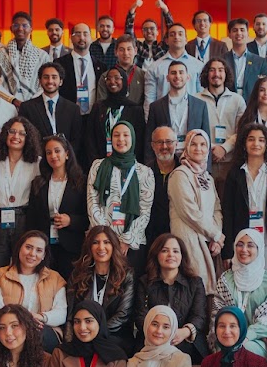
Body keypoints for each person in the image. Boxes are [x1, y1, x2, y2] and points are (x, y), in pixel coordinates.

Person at [0, 231, 67, 351]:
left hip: (42, 332)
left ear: (44, 255)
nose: (32, 254)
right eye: (28, 247)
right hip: (7, 330)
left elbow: (61, 313)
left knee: (36, 335)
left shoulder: (55, 279)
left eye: (39, 250)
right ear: (19, 248)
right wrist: (22, 321)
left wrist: (40, 317)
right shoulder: (0, 276)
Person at [87, 121, 156, 277]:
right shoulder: (98, 166)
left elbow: (145, 210)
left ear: (133, 139)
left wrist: (126, 239)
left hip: (131, 243)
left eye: (126, 135)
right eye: (116, 135)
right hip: (101, 243)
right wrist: (106, 239)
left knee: (128, 289)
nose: (121, 139)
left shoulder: (145, 172)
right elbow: (92, 202)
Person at [221, 122, 267, 268]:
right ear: (244, 144)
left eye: (261, 140)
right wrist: (227, 251)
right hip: (241, 242)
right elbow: (227, 213)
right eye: (251, 139)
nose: (256, 143)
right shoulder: (234, 174)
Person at [0, 117, 41, 273]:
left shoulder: (37, 163)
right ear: (5, 134)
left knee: (24, 270)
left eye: (22, 133)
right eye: (12, 131)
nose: (16, 136)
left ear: (28, 138)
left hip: (24, 220)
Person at [211, 230, 267, 362]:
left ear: (259, 249)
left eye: (250, 245)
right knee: (227, 350)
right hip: (228, 336)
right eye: (240, 244)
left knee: (243, 349)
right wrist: (232, 334)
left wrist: (245, 336)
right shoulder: (226, 280)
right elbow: (218, 313)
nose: (244, 249)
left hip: (259, 340)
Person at [136, 234, 208, 362]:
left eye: (175, 251)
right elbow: (141, 315)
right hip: (152, 340)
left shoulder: (195, 282)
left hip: (184, 340)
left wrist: (185, 331)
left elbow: (199, 316)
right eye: (165, 250)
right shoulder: (145, 282)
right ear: (156, 254)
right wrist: (159, 334)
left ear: (182, 256)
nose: (171, 255)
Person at [25, 134, 88, 280]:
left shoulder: (81, 182)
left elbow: (88, 217)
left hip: (72, 247)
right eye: (48, 152)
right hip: (44, 247)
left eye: (57, 151)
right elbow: (31, 218)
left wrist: (71, 220)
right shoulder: (38, 183)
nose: (53, 155)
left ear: (67, 154)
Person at [168, 129, 224, 292]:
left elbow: (217, 209)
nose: (198, 148)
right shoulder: (179, 174)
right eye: (193, 144)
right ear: (186, 147)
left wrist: (216, 236)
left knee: (210, 293)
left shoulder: (208, 177)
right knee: (194, 288)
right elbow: (189, 212)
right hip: (189, 241)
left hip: (209, 241)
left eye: (203, 145)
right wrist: (216, 234)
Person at [67, 227, 135, 349]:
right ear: (89, 247)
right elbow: (70, 313)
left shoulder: (126, 275)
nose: (101, 247)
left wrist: (95, 332)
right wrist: (68, 341)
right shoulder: (78, 274)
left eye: (106, 242)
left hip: (114, 336)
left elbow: (122, 315)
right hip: (82, 333)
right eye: (95, 242)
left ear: (114, 246)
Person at [84, 66, 147, 167]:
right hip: (101, 164)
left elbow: (139, 141)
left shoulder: (135, 109)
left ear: (125, 81)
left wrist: (130, 162)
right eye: (108, 78)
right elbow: (90, 138)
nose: (112, 81)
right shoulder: (98, 107)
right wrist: (96, 162)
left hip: (127, 164)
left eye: (117, 78)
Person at [197, 57, 247, 185]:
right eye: (212, 70)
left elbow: (242, 130)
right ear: (206, 74)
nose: (216, 74)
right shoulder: (196, 99)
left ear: (226, 74)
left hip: (231, 161)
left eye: (220, 70)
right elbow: (195, 131)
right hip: (204, 162)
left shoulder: (238, 100)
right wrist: (212, 149)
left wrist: (224, 148)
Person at [146, 59, 212, 153]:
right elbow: (149, 140)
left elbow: (206, 140)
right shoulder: (156, 107)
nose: (177, 76)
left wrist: (207, 167)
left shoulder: (200, 105)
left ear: (188, 77)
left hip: (193, 159)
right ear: (167, 78)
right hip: (166, 159)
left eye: (181, 72)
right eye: (173, 73)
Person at [18, 61, 82, 145]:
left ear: (61, 81)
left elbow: (77, 140)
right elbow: (25, 137)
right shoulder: (27, 107)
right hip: (38, 156)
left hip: (66, 156)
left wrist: (66, 156)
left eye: (54, 77)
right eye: (46, 77)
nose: (50, 81)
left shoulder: (73, 109)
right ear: (40, 81)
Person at [0, 11, 49, 102]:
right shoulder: (0, 54)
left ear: (31, 29)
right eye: (16, 25)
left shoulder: (42, 56)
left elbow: (45, 82)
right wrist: (13, 100)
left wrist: (31, 102)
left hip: (34, 104)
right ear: (11, 28)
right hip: (5, 103)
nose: (20, 28)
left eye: (24, 25)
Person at [145, 24, 203, 106]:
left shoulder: (198, 66)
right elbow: (149, 98)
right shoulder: (154, 67)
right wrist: (149, 118)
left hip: (192, 114)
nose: (176, 37)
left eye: (180, 34)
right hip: (163, 115)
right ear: (167, 41)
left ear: (186, 40)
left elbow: (202, 96)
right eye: (172, 34)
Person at [222, 17, 267, 100]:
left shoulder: (260, 62)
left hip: (252, 105)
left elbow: (264, 85)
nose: (239, 33)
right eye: (235, 30)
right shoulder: (222, 60)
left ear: (248, 33)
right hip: (228, 103)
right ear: (229, 35)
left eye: (242, 30)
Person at [93, 35, 148, 106]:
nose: (126, 53)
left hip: (136, 115)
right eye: (121, 49)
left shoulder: (143, 75)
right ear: (116, 52)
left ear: (135, 51)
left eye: (129, 49)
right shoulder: (106, 76)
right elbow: (101, 104)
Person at [57, 22, 98, 114]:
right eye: (78, 34)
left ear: (91, 38)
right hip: (68, 114)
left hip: (93, 116)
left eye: (85, 34)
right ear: (71, 38)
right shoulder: (60, 63)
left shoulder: (100, 65)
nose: (82, 38)